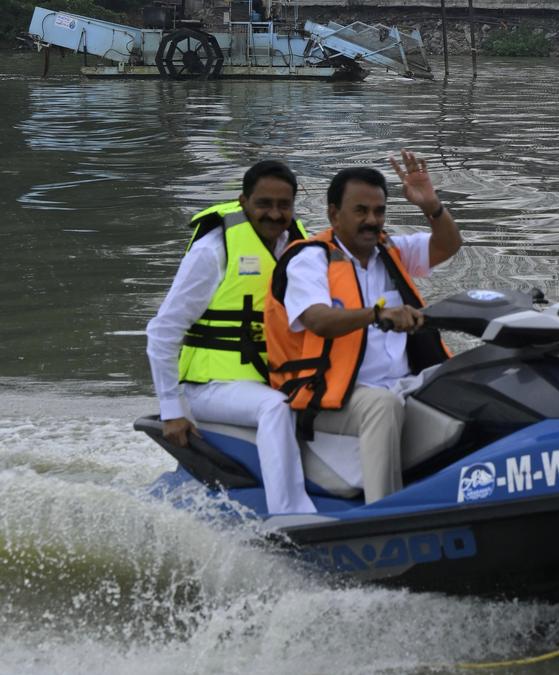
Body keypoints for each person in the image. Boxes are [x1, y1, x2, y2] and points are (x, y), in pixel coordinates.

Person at [265, 150, 462, 504]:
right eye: (361, 211)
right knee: (381, 405)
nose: (372, 221)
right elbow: (318, 320)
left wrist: (430, 205)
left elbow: (448, 245)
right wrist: (376, 315)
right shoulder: (309, 259)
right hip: (328, 395)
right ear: (333, 214)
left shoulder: (390, 250)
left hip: (400, 383)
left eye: (379, 211)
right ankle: (384, 511)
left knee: (466, 380)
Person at [147, 160, 317, 514]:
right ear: (243, 201)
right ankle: (291, 515)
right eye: (264, 204)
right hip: (211, 385)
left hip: (269, 377)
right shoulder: (214, 250)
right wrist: (171, 410)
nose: (274, 213)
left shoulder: (299, 243)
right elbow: (163, 332)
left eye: (283, 205)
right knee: (276, 408)